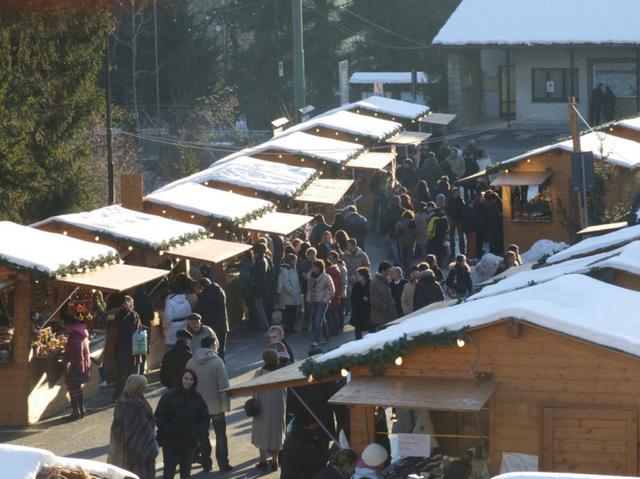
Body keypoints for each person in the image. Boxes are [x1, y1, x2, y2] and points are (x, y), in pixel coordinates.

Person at [186, 336, 232, 473]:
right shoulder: (217, 362)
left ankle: (206, 463)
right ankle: (223, 464)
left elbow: (188, 385)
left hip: (198, 407)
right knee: (220, 435)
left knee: (202, 436)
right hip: (216, 405)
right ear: (212, 345)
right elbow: (223, 385)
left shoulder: (191, 362)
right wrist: (226, 405)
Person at [155, 369, 209, 479]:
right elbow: (159, 416)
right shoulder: (169, 396)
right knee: (169, 473)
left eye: (191, 379)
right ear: (181, 379)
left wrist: (198, 432)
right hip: (170, 442)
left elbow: (204, 418)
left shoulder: (198, 398)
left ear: (194, 382)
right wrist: (168, 430)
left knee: (186, 473)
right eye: (186, 378)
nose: (188, 381)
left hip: (189, 442)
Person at [108, 374, 157, 479]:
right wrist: (152, 450)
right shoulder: (135, 407)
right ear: (139, 388)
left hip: (122, 454)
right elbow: (138, 438)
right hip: (136, 461)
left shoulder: (122, 402)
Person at [252, 349, 287, 472]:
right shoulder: (282, 373)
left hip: (262, 408)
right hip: (278, 408)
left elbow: (253, 390)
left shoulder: (259, 373)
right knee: (276, 435)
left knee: (262, 433)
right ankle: (274, 460)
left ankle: (262, 460)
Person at [113, 295, 141, 401]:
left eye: (128, 303)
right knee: (127, 372)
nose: (127, 305)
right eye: (125, 303)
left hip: (125, 347)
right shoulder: (131, 315)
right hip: (130, 347)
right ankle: (125, 394)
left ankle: (123, 394)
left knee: (125, 373)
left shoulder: (132, 315)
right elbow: (133, 329)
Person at [64, 313, 91, 420]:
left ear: (70, 325)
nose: (65, 328)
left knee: (71, 386)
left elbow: (76, 352)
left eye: (66, 326)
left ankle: (76, 412)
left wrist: (68, 361)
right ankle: (81, 409)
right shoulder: (81, 333)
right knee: (77, 386)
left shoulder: (74, 336)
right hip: (82, 364)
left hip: (76, 365)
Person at [195, 277, 229, 360]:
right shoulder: (220, 290)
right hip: (223, 324)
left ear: (202, 286)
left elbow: (200, 310)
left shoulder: (205, 294)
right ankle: (221, 367)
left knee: (211, 350)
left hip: (211, 326)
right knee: (221, 349)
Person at [307, 259, 336, 347]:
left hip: (322, 301)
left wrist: (325, 300)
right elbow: (309, 289)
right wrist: (309, 298)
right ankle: (326, 337)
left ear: (320, 268)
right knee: (321, 319)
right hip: (314, 301)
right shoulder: (310, 276)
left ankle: (317, 340)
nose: (314, 269)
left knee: (317, 321)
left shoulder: (326, 277)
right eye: (313, 267)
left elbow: (332, 290)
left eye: (315, 267)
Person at [163, 277, 194, 347]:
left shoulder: (170, 302)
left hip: (171, 330)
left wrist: (164, 327)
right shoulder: (186, 302)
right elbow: (190, 315)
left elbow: (167, 317)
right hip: (183, 327)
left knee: (171, 350)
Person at [278, 253, 302, 334]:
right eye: (295, 260)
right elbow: (286, 283)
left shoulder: (293, 268)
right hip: (289, 296)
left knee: (293, 314)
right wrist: (293, 292)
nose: (296, 262)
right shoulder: (285, 269)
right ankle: (288, 329)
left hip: (294, 295)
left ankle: (291, 328)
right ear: (291, 261)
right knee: (289, 314)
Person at [369, 261, 396, 329]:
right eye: (388, 271)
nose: (390, 273)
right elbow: (374, 300)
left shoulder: (384, 281)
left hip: (388, 316)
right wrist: (385, 308)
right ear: (383, 271)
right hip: (381, 318)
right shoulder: (375, 282)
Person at [251, 243, 271, 331]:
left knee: (259, 306)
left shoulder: (259, 261)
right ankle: (265, 323)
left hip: (259, 286)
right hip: (263, 285)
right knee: (261, 305)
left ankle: (264, 324)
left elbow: (256, 275)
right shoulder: (264, 259)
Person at [427, 195, 449, 268]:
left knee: (434, 251)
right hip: (442, 236)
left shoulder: (433, 215)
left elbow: (430, 227)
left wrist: (429, 235)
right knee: (440, 251)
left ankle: (434, 265)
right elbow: (447, 226)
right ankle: (440, 264)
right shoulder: (444, 214)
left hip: (434, 236)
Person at [351, 267, 372, 340]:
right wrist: (362, 300)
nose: (357, 277)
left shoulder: (371, 284)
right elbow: (353, 298)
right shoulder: (356, 285)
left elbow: (373, 296)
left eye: (359, 275)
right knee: (358, 333)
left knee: (372, 331)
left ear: (364, 275)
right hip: (358, 311)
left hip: (369, 311)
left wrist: (367, 299)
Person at [300, 247, 317, 333]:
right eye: (310, 255)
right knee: (307, 309)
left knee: (315, 309)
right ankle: (305, 326)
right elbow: (303, 275)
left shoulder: (318, 263)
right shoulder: (304, 264)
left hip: (316, 289)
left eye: (313, 255)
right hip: (307, 289)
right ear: (307, 255)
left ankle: (314, 325)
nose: (312, 257)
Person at [326, 251, 342, 336]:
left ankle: (332, 332)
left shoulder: (328, 273)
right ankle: (337, 330)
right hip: (336, 295)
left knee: (329, 314)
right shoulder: (336, 270)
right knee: (335, 313)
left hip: (329, 295)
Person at [446, 187, 466, 258]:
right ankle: (452, 252)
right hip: (452, 220)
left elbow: (463, 209)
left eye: (458, 192)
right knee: (452, 237)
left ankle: (462, 251)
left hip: (459, 220)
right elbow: (447, 210)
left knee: (461, 236)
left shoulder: (460, 200)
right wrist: (448, 218)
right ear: (453, 193)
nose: (457, 194)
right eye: (456, 192)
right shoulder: (449, 200)